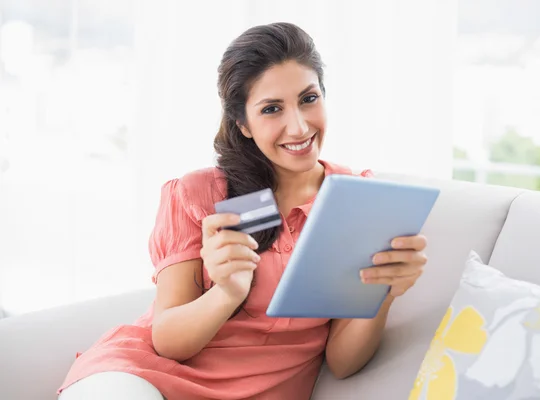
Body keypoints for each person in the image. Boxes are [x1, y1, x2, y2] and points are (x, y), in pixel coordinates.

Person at [57, 22, 428, 400]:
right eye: (271, 109)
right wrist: (227, 293)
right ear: (243, 124)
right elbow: (167, 341)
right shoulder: (199, 194)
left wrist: (384, 292)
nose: (298, 126)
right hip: (143, 378)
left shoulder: (354, 200)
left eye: (309, 99)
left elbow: (342, 362)